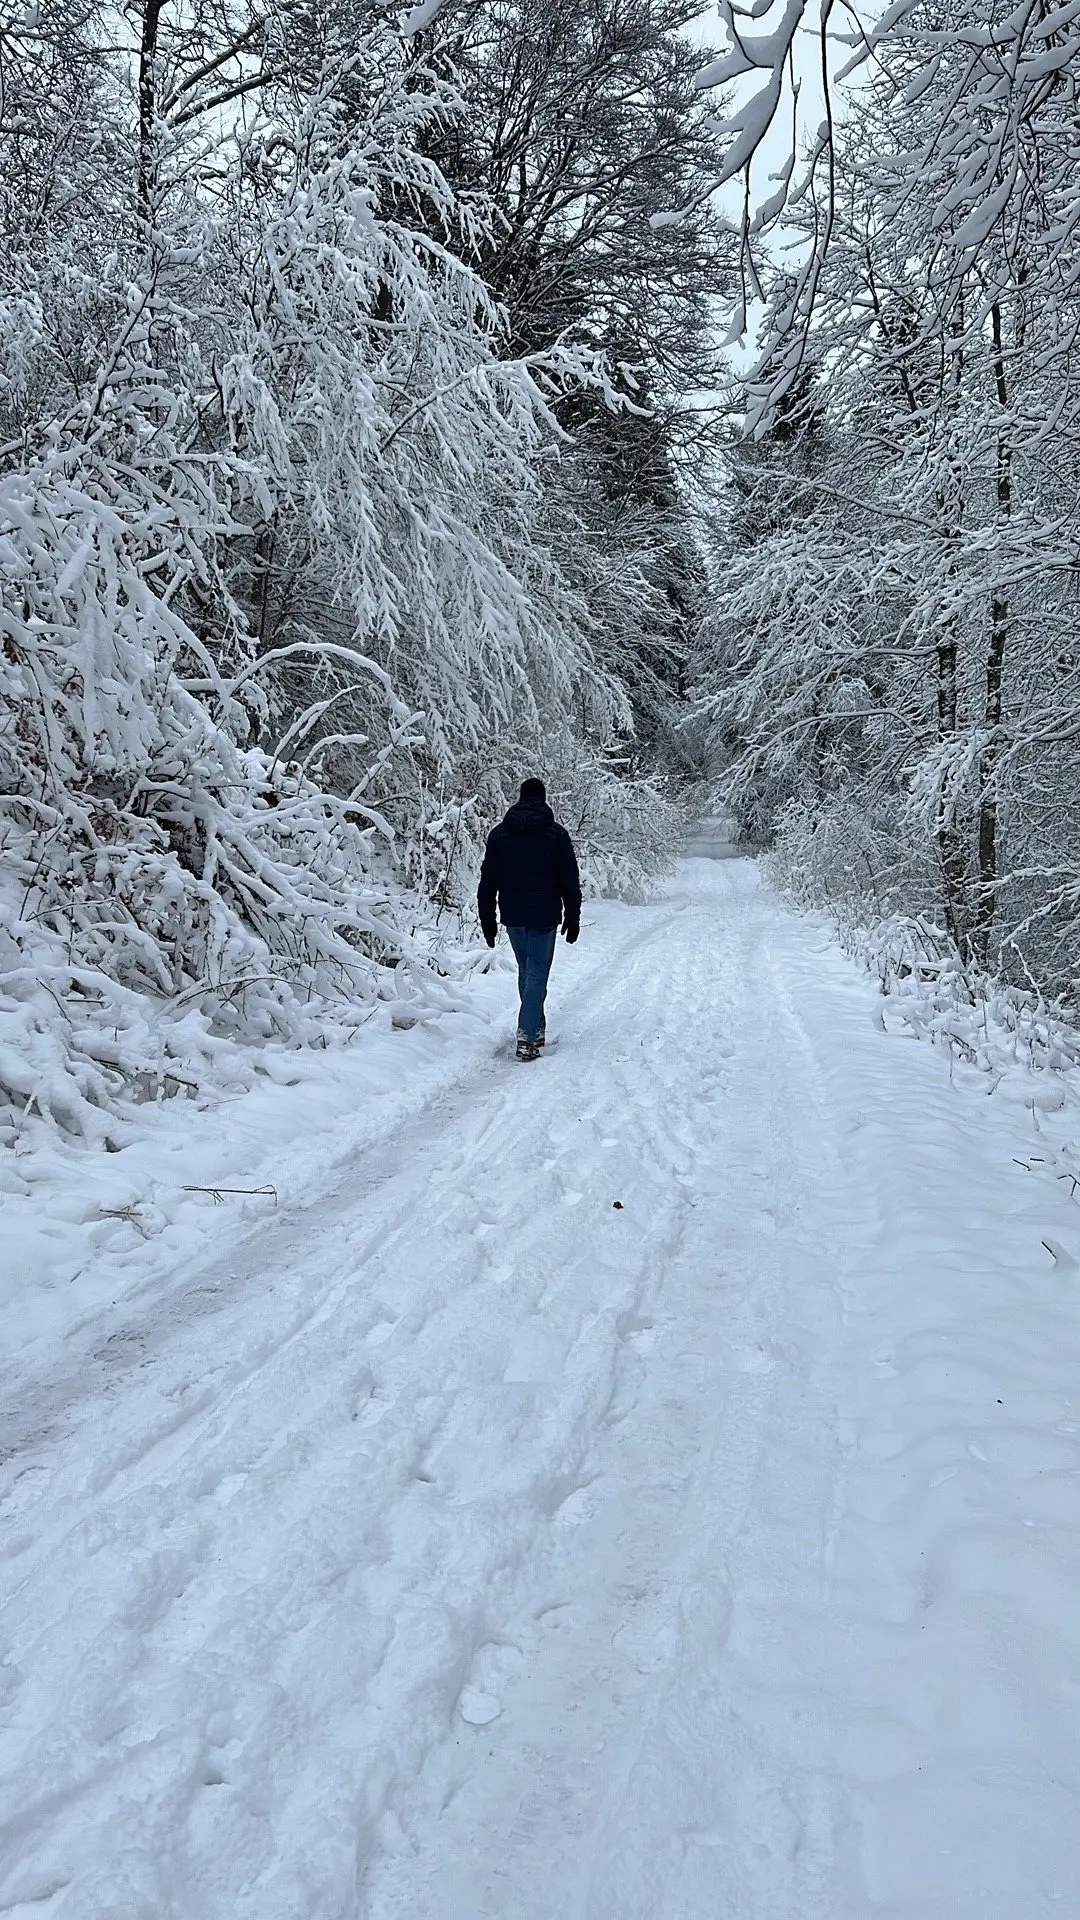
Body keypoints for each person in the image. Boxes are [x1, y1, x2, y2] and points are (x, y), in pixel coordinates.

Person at [478, 778, 581, 1061]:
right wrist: (573, 915)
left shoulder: (499, 835)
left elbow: (487, 882)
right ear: (543, 799)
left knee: (527, 972)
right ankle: (527, 1034)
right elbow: (570, 880)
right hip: (544, 915)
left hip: (513, 915)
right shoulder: (556, 835)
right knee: (536, 974)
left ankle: (536, 1028)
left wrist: (487, 919)